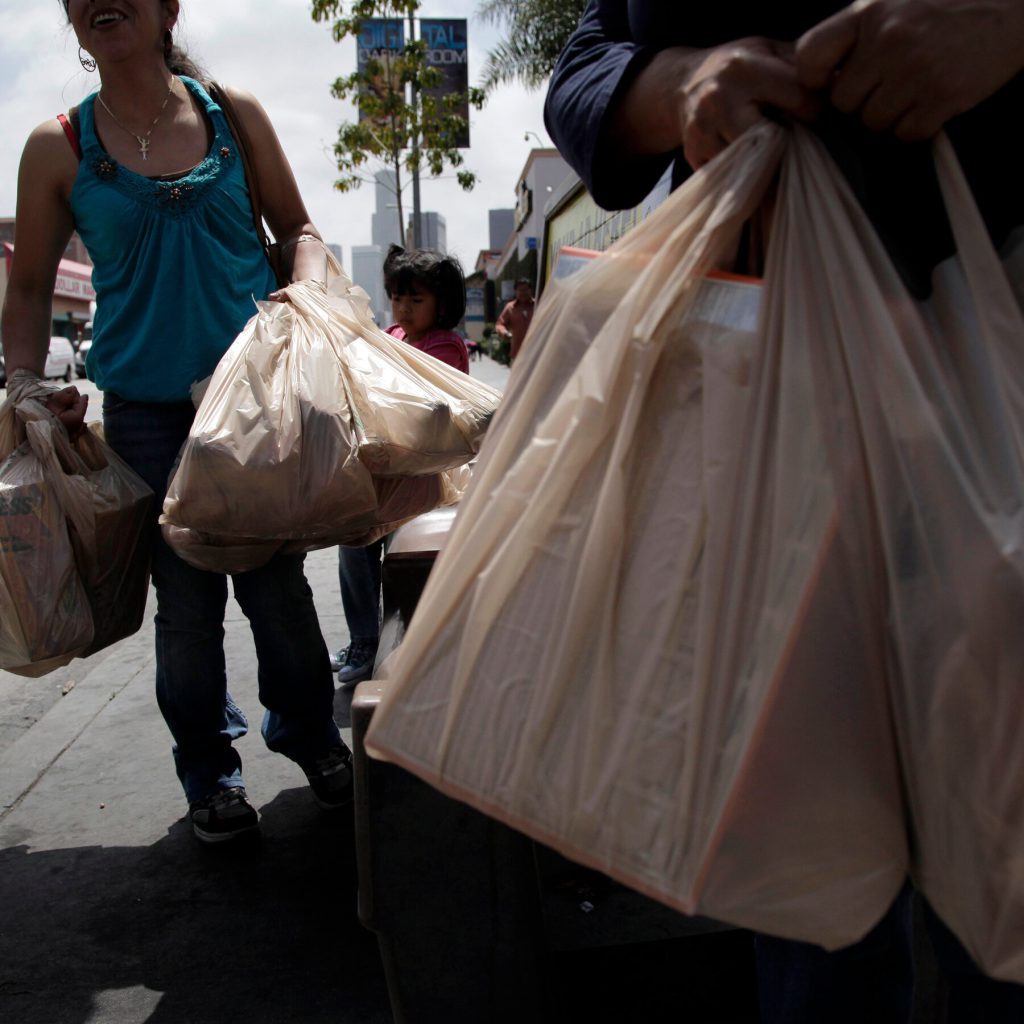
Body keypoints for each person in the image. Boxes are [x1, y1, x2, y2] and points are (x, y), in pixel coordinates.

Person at [543, 1, 1024, 1020]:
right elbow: (587, 63)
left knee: (1006, 830)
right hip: (773, 388)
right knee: (806, 857)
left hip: (992, 334)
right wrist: (683, 83)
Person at [1, 0, 353, 844]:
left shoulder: (235, 115)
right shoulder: (59, 146)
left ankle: (310, 739)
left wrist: (303, 295)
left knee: (278, 597)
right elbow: (28, 287)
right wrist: (21, 383)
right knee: (186, 615)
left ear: (168, 8)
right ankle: (211, 775)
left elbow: (298, 228)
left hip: (251, 404)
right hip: (146, 422)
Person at [331, 245, 470, 685]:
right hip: (377, 475)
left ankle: (397, 648)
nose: (404, 309)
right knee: (354, 553)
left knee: (400, 565)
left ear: (442, 304)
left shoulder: (445, 345)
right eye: (397, 297)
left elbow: (424, 405)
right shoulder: (391, 335)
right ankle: (364, 640)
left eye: (416, 300)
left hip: (417, 481)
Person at [495, 278, 535, 364]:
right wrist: (505, 333)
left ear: (531, 290)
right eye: (520, 290)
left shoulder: (538, 305)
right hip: (517, 354)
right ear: (515, 291)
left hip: (536, 353)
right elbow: (500, 324)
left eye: (525, 290)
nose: (523, 293)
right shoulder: (510, 307)